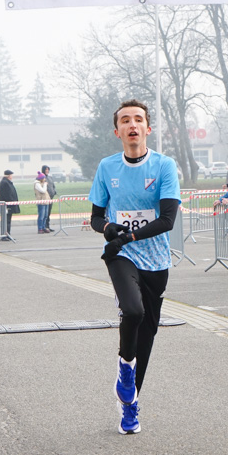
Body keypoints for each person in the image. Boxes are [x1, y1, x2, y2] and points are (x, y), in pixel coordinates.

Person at [88, 99, 180, 435]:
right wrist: (108, 230)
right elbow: (97, 217)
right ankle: (125, 369)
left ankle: (129, 405)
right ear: (117, 131)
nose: (132, 125)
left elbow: (168, 220)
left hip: (156, 260)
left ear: (147, 129)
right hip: (120, 255)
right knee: (133, 311)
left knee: (147, 335)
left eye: (138, 119)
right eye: (125, 120)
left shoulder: (164, 166)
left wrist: (129, 235)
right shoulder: (107, 168)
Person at [0, 170, 20, 241]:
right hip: (7, 205)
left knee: (8, 221)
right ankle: (4, 235)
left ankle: (8, 234)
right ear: (9, 176)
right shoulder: (5, 183)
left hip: (9, 204)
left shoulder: (7, 182)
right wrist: (11, 202)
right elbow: (7, 194)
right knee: (6, 221)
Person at [41, 165, 57, 232]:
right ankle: (43, 227)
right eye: (46, 169)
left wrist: (54, 191)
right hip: (45, 198)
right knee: (44, 214)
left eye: (48, 169)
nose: (47, 171)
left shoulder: (50, 177)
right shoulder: (41, 178)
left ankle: (47, 226)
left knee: (48, 213)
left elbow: (53, 186)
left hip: (51, 198)